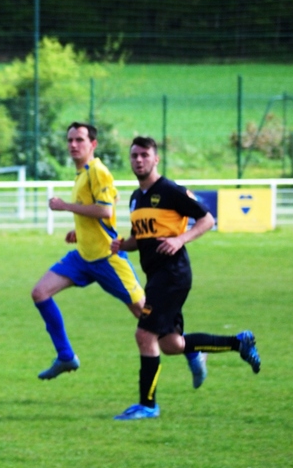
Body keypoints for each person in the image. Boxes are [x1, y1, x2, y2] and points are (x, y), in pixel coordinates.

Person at [111, 137, 261, 420]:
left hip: (172, 274)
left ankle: (148, 405)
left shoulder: (171, 191)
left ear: (156, 159)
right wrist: (122, 245)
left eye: (144, 155)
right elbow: (140, 239)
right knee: (171, 345)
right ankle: (239, 342)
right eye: (134, 156)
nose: (139, 160)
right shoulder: (135, 198)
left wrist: (180, 239)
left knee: (144, 335)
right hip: (156, 275)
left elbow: (207, 219)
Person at [31, 122, 145, 380]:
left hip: (107, 257)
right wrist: (80, 230)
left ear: (93, 144)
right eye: (70, 140)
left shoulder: (97, 171)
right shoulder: (82, 173)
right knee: (40, 293)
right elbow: (108, 202)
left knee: (145, 314)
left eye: (79, 140)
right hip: (83, 256)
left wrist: (66, 206)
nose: (73, 144)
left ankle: (190, 349)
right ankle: (65, 356)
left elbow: (105, 209)